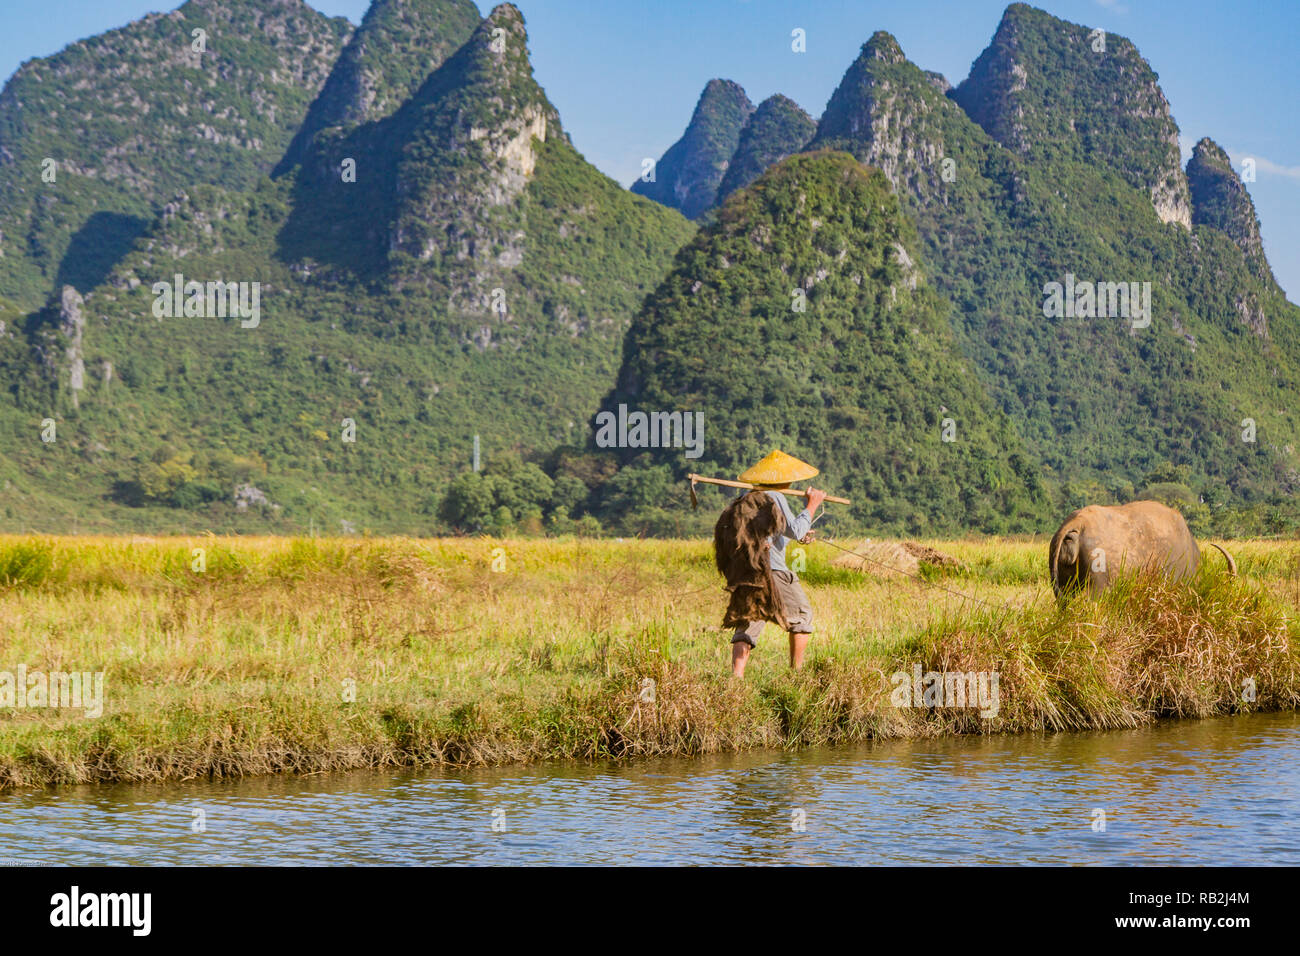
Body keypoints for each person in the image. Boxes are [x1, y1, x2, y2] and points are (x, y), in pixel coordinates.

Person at [720, 451, 827, 678]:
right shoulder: (774, 497)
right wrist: (812, 504)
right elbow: (795, 529)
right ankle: (796, 675)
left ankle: (735, 680)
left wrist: (800, 535)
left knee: (749, 620)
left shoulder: (747, 500)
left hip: (748, 571)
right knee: (802, 615)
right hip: (773, 571)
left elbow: (776, 534)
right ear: (784, 479)